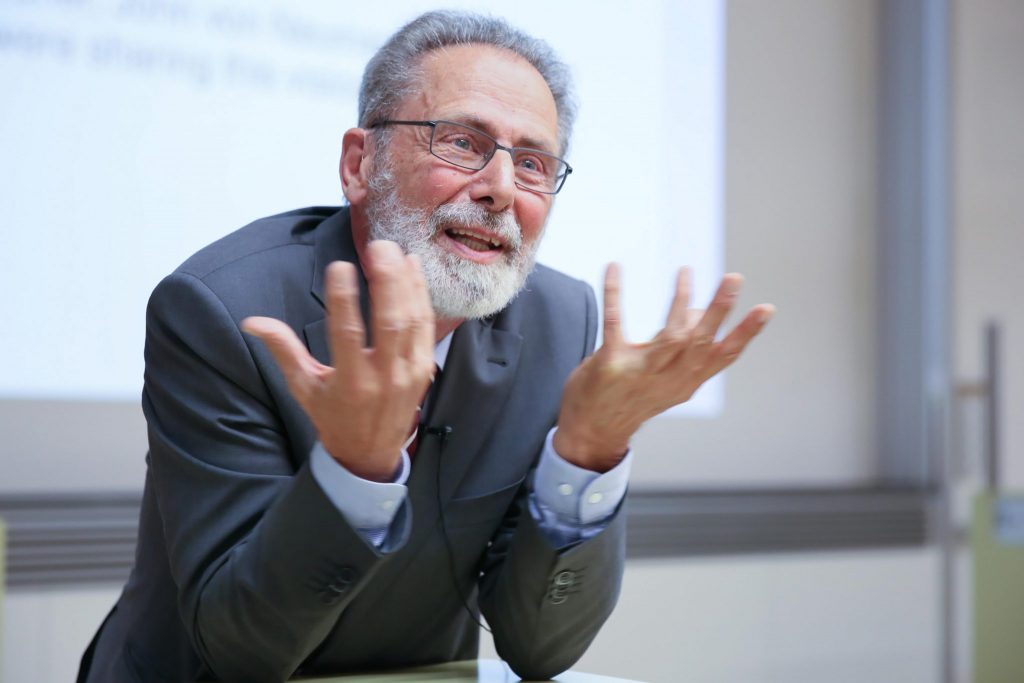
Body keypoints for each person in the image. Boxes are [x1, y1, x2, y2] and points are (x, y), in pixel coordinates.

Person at [79, 10, 773, 683]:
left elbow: (541, 648)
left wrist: (590, 448)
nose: (501, 188)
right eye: (463, 143)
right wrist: (356, 467)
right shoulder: (223, 311)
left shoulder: (560, 320)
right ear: (360, 163)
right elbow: (241, 649)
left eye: (533, 163)